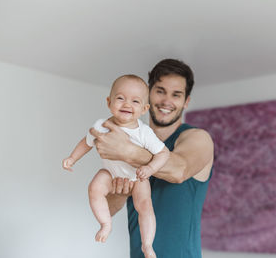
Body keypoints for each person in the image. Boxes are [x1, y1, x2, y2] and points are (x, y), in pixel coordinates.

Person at [90, 59, 214, 258]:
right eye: (160, 91)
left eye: (176, 94)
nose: (166, 101)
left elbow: (179, 170)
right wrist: (121, 193)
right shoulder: (131, 140)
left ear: (186, 102)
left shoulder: (198, 138)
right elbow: (110, 210)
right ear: (148, 94)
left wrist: (127, 151)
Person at [62, 75, 170, 258]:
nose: (127, 104)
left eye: (135, 101)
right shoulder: (101, 125)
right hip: (111, 173)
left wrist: (150, 169)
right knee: (94, 188)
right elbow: (87, 143)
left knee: (145, 206)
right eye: (120, 98)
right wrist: (72, 158)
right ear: (109, 102)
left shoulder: (144, 132)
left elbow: (163, 153)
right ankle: (105, 224)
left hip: (137, 177)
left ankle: (147, 245)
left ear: (144, 109)